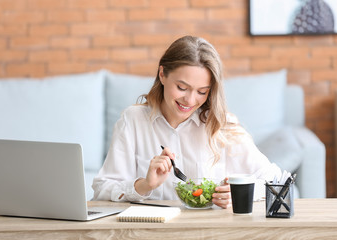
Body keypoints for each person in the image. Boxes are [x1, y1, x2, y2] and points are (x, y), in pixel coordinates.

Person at [92, 35, 281, 209]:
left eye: (202, 92)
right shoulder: (133, 120)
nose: (190, 101)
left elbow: (276, 182)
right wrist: (144, 185)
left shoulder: (220, 125)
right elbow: (102, 189)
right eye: (182, 87)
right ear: (162, 74)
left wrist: (241, 193)